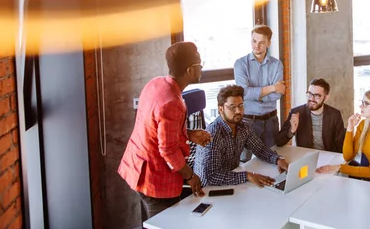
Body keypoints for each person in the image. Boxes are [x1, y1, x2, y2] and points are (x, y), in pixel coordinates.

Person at [118, 41, 213, 219]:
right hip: (154, 178)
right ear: (189, 70)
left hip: (138, 166)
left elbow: (157, 126)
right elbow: (168, 150)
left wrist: (190, 134)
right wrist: (191, 176)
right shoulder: (172, 102)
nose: (202, 69)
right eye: (200, 65)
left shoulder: (156, 83)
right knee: (165, 223)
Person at [194, 85, 289, 187]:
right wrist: (248, 176)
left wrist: (278, 159)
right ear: (221, 109)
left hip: (232, 181)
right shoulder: (213, 134)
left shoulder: (243, 127)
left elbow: (259, 149)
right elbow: (211, 176)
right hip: (207, 189)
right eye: (232, 107)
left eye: (240, 105)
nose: (238, 111)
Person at [234, 25, 285, 161]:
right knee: (244, 162)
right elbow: (243, 93)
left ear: (268, 43)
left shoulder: (277, 65)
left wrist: (256, 94)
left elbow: (278, 95)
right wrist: (272, 88)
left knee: (272, 159)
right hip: (248, 121)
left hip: (271, 122)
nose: (257, 46)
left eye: (262, 42)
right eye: (254, 41)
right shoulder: (241, 64)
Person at [275, 78, 345, 152]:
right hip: (306, 156)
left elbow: (340, 145)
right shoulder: (297, 112)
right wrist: (291, 130)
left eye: (317, 95)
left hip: (328, 156)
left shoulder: (335, 115)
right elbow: (279, 142)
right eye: (310, 94)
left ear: (326, 98)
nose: (312, 98)